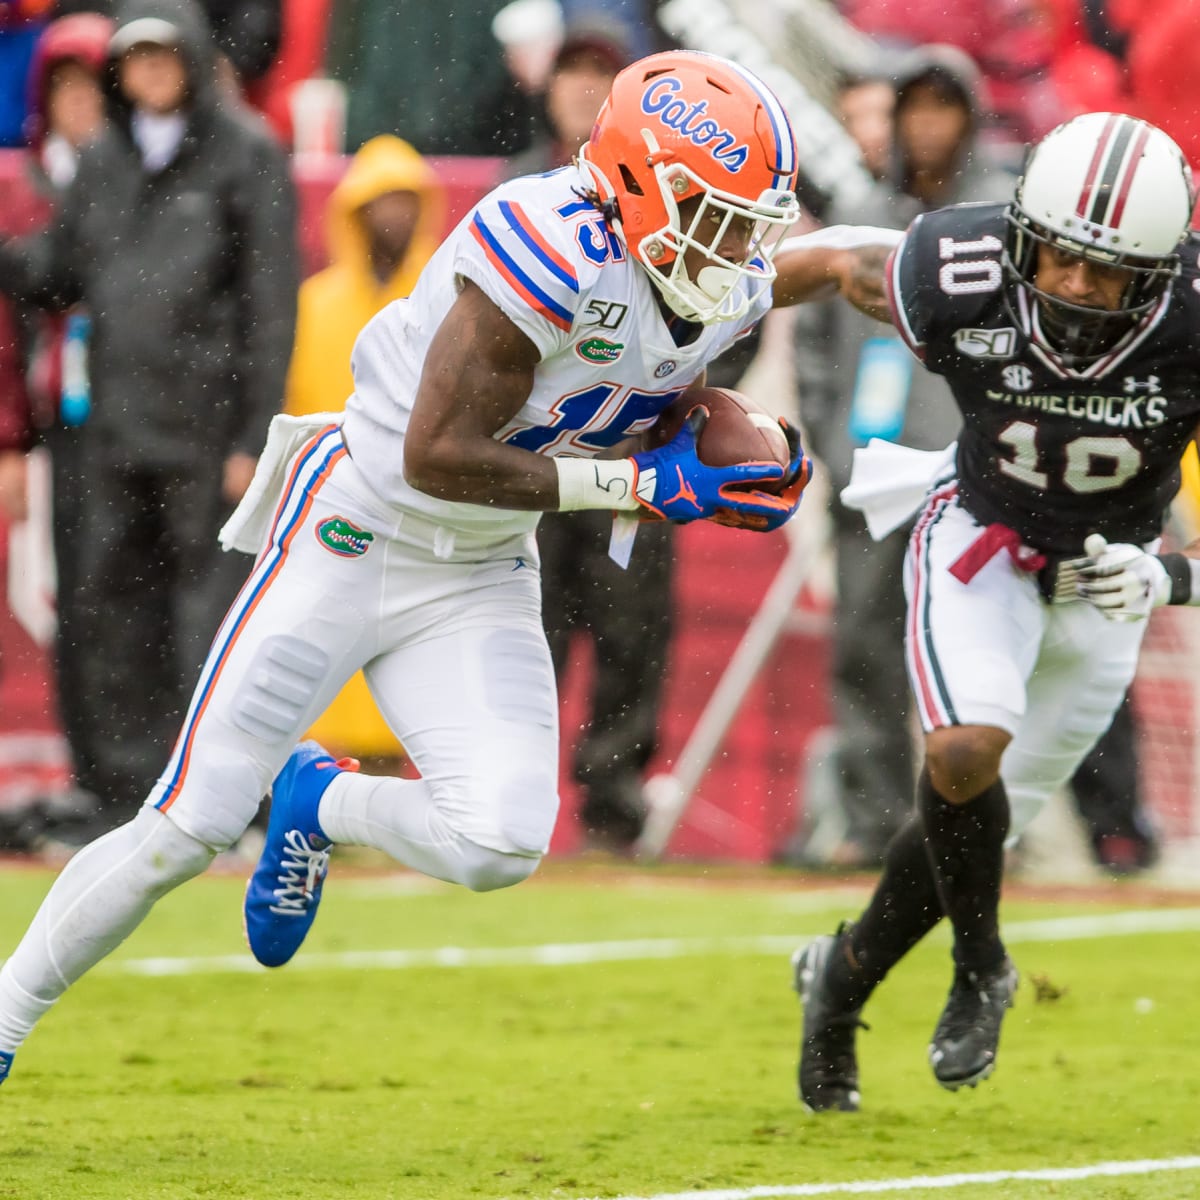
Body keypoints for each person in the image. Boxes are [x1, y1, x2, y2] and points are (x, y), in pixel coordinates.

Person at [0, 49, 894, 1086]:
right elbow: (439, 452)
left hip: (474, 567)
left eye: (749, 218)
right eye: (719, 214)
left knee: (502, 841)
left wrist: (952, 268)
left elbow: (831, 261)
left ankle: (322, 804)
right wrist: (640, 488)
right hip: (356, 528)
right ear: (643, 184)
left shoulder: (706, 271)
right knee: (187, 825)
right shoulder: (545, 246)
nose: (739, 244)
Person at [792, 110, 1200, 1112]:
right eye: (1059, 254)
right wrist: (683, 329)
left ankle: (839, 983)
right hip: (979, 541)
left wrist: (1175, 577)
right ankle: (983, 966)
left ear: (1158, 274)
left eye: (1107, 271)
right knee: (965, 755)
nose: (1073, 283)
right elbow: (840, 261)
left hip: (1108, 584)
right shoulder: (959, 262)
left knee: (973, 828)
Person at [0, 0, 299, 838]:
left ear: (195, 60)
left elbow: (271, 310)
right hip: (109, 434)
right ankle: (125, 798)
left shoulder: (248, 153)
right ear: (118, 71)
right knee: (106, 614)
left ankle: (218, 798)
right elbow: (56, 271)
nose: (153, 72)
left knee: (210, 620)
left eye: (167, 56)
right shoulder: (102, 159)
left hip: (206, 437)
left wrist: (253, 438)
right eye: (137, 59)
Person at [788, 46, 1011, 870]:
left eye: (942, 108)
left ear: (970, 118)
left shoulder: (1003, 222)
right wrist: (833, 446)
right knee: (866, 656)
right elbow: (812, 339)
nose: (925, 125)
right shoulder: (860, 214)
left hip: (975, 489)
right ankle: (882, 826)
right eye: (913, 108)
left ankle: (988, 835)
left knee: (976, 670)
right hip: (870, 486)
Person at [284, 132, 444, 767]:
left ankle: (393, 785)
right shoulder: (315, 303)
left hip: (420, 505)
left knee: (410, 650)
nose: (394, 217)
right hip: (334, 505)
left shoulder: (449, 299)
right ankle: (323, 786)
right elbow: (295, 404)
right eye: (380, 203)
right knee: (322, 651)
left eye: (406, 201)